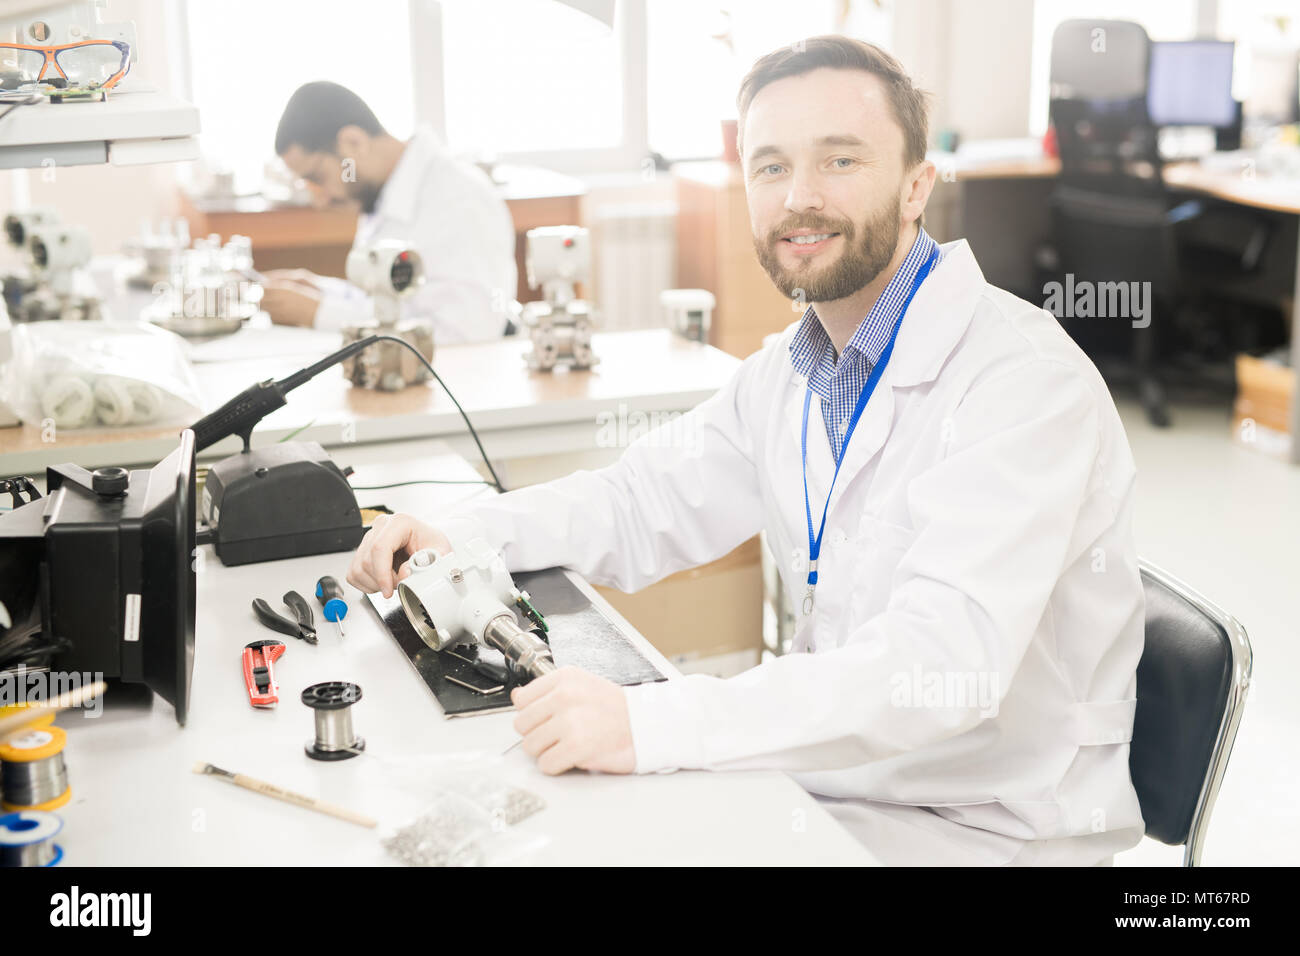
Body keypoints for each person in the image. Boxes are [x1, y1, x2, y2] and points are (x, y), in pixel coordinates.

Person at [347, 37, 1146, 866]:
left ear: (917, 187)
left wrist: (651, 720)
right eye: (770, 168)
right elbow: (641, 500)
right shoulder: (794, 369)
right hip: (839, 785)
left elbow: (938, 664)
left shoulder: (1022, 385)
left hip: (985, 825)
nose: (800, 197)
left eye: (840, 160)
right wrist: (470, 537)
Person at [264, 82, 516, 343]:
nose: (321, 199)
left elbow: (464, 334)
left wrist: (319, 312)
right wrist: (321, 292)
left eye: (318, 177)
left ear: (354, 143)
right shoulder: (384, 191)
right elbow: (392, 300)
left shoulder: (459, 201)